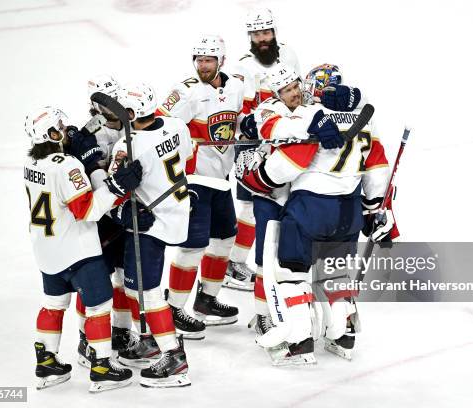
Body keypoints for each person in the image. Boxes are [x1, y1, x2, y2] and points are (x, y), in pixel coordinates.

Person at [236, 63, 396, 365]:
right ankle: (342, 336)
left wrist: (259, 179)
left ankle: (299, 343)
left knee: (291, 273)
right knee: (334, 272)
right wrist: (374, 206)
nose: (299, 92)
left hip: (310, 207)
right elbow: (377, 167)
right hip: (349, 209)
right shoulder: (364, 120)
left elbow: (287, 165)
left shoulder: (310, 116)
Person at [24, 106, 142, 391]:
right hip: (77, 251)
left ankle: (47, 364)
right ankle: (101, 367)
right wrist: (115, 187)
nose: (66, 131)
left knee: (53, 304)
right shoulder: (67, 166)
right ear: (51, 133)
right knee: (99, 306)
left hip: (46, 250)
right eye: (61, 128)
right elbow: (87, 210)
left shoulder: (31, 164)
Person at [155, 35, 244, 340]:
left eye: (209, 60)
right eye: (199, 60)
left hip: (220, 179)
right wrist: (183, 142)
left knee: (225, 238)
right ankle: (174, 309)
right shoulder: (185, 92)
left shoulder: (235, 86)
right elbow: (157, 124)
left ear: (221, 60)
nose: (203, 66)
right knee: (193, 246)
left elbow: (237, 121)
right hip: (193, 181)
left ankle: (207, 298)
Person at [109, 82, 193, 387]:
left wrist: (118, 212)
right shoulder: (175, 124)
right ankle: (149, 339)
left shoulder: (127, 146)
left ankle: (173, 357)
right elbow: (187, 155)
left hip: (148, 221)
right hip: (177, 209)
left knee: (146, 291)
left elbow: (115, 190)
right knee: (139, 286)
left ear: (132, 112)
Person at [225, 7, 302, 292]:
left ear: (274, 32)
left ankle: (275, 257)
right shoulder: (243, 66)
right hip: (252, 142)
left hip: (284, 138)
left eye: (266, 32)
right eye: (257, 34)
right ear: (250, 37)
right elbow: (241, 112)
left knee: (282, 198)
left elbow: (298, 91)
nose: (262, 39)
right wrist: (253, 127)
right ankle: (235, 262)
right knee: (249, 206)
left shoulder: (289, 54)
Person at [74, 74, 136, 368]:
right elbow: (97, 180)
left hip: (122, 213)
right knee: (94, 283)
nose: (113, 106)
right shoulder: (90, 136)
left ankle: (121, 332)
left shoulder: (128, 125)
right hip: (98, 218)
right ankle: (86, 338)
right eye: (105, 102)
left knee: (123, 277)